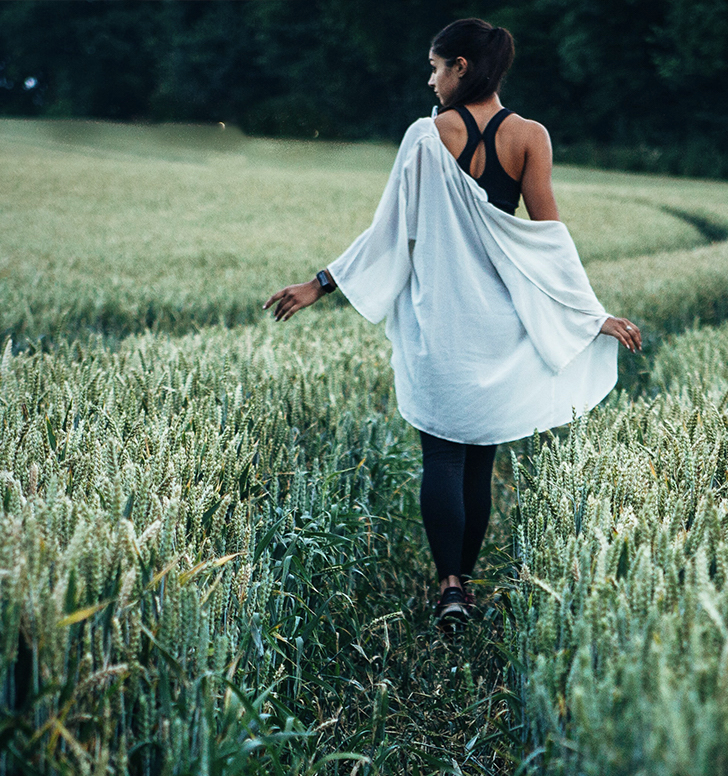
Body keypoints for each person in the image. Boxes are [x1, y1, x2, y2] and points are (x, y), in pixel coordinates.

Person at [264, 18, 641, 628]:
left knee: (440, 456)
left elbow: (389, 230)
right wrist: (588, 316)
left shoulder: (424, 136)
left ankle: (449, 587)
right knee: (479, 458)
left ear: (462, 66)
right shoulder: (530, 137)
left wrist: (321, 283)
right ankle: (462, 586)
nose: (432, 79)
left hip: (438, 321)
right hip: (499, 324)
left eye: (437, 67)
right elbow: (547, 241)